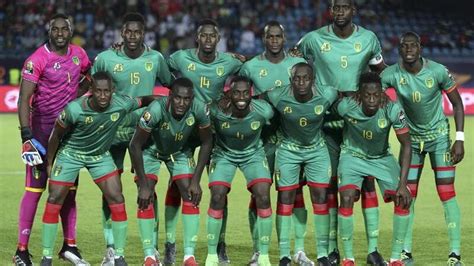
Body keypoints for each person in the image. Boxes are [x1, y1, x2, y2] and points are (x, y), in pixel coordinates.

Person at [294, 0, 386, 264]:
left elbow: (382, 71)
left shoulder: (369, 39)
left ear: (353, 10)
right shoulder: (312, 39)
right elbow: (290, 63)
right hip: (324, 124)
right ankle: (332, 249)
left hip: (358, 123)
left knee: (367, 182)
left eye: (345, 7)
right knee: (330, 185)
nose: (340, 12)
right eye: (336, 7)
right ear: (330, 10)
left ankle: (372, 250)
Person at [40, 71, 157, 266]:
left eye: (107, 92)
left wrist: (166, 102)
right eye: (98, 91)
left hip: (99, 156)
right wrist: (50, 162)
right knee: (54, 198)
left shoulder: (121, 103)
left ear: (113, 91)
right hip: (70, 154)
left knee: (117, 197)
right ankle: (46, 257)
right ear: (91, 91)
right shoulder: (74, 109)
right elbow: (55, 136)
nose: (103, 96)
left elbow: (144, 99)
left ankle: (119, 256)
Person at [92, 12, 173, 265]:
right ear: (122, 33)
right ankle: (111, 247)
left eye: (138, 32)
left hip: (146, 132)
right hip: (112, 132)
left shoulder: (156, 58)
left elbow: (172, 84)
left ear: (144, 33)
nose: (133, 36)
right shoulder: (106, 58)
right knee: (110, 190)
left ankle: (154, 246)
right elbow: (91, 88)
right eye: (128, 31)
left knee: (148, 187)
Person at [381, 32, 465, 266]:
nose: (408, 49)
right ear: (399, 49)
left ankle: (455, 254)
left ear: (420, 48)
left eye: (413, 45)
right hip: (411, 142)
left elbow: (457, 104)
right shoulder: (391, 74)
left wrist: (459, 138)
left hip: (438, 137)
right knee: (407, 195)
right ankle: (405, 253)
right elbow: (371, 93)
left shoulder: (437, 71)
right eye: (404, 45)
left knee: (446, 193)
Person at [14, 13, 91, 266]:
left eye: (64, 29)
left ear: (70, 31)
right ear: (49, 32)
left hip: (68, 137)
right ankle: (21, 251)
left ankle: (69, 247)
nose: (59, 33)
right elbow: (24, 99)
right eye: (55, 29)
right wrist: (27, 137)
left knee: (68, 192)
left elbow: (89, 77)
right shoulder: (37, 59)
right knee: (34, 192)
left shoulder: (79, 54)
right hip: (41, 136)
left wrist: (77, 102)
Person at [164, 18, 243, 265]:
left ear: (218, 39)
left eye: (212, 36)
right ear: (197, 37)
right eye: (204, 36)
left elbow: (248, 74)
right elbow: (162, 72)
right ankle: (169, 244)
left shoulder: (229, 61)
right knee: (177, 183)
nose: (208, 40)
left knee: (219, 188)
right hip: (185, 129)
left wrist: (229, 98)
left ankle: (219, 243)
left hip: (215, 129)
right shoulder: (179, 58)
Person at [239, 21, 310, 265]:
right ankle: (259, 250)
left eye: (279, 36)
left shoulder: (296, 65)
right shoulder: (250, 67)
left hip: (292, 139)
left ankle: (298, 250)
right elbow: (241, 99)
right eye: (270, 37)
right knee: (259, 193)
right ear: (264, 38)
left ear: (284, 38)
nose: (275, 41)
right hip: (262, 141)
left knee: (295, 192)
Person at [129, 77, 213, 266]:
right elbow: (135, 145)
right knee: (145, 196)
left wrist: (196, 180)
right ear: (170, 96)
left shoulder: (200, 109)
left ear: (192, 99)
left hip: (179, 151)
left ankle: (189, 257)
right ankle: (149, 256)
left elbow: (207, 142)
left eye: (187, 99)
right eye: (177, 98)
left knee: (191, 195)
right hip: (150, 151)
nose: (182, 103)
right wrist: (142, 184)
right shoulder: (156, 110)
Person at [336, 72, 412, 266]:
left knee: (403, 198)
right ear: (359, 95)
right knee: (346, 197)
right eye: (367, 95)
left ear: (382, 93)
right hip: (352, 155)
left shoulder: (392, 109)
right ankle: (348, 258)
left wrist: (403, 184)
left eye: (376, 95)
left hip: (381, 157)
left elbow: (406, 145)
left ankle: (395, 258)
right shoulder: (346, 106)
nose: (371, 100)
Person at [264, 62, 337, 266]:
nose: (301, 82)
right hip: (288, 149)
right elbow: (256, 100)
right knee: (285, 196)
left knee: (320, 197)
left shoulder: (327, 94)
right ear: (291, 80)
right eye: (297, 78)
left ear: (313, 80)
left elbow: (345, 96)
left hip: (317, 149)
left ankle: (323, 254)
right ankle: (284, 255)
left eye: (306, 78)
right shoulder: (277, 95)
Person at [205, 76, 274, 266]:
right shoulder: (217, 110)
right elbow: (200, 123)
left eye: (246, 93)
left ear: (251, 93)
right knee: (217, 195)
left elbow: (274, 127)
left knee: (263, 195)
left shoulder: (264, 111)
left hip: (253, 154)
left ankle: (263, 255)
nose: (241, 97)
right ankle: (212, 255)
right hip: (223, 154)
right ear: (230, 93)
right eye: (236, 92)